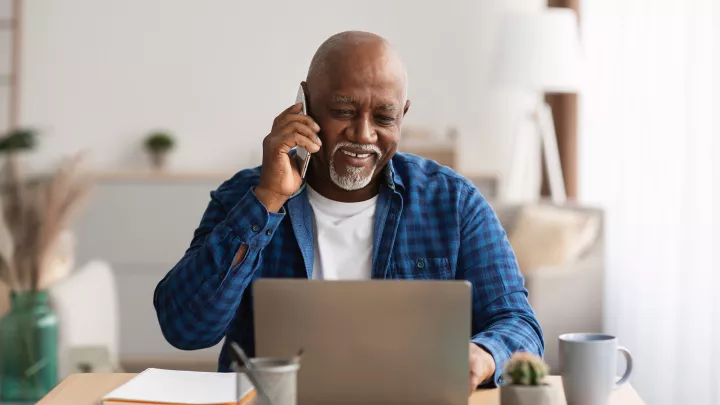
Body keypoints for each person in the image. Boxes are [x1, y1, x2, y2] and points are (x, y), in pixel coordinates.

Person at [153, 31, 543, 393]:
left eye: (384, 117)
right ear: (303, 105)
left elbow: (519, 324)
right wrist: (268, 198)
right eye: (343, 111)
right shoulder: (244, 196)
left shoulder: (453, 202)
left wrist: (484, 354)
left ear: (403, 114)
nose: (364, 134)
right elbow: (185, 329)